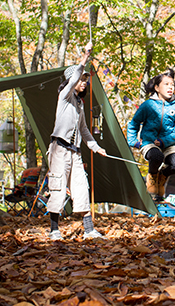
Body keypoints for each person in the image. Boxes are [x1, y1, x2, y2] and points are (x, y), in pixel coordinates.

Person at [47, 42, 107, 241]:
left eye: (85, 80)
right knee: (57, 187)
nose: (84, 82)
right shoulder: (64, 97)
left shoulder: (80, 104)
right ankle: (54, 230)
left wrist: (96, 147)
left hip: (75, 152)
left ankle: (89, 230)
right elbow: (73, 78)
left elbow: (83, 130)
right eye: (82, 79)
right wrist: (85, 56)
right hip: (59, 149)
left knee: (81, 187)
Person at [127, 68, 175, 202]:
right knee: (156, 156)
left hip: (168, 144)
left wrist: (164, 141)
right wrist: (134, 142)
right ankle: (152, 176)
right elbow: (133, 123)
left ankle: (162, 176)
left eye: (172, 85)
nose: (170, 87)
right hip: (149, 143)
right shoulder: (148, 105)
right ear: (157, 88)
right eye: (166, 84)